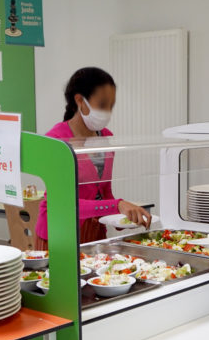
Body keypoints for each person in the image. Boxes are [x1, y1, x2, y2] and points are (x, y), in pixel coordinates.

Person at [34, 67, 150, 248]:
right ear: (80, 101)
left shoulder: (107, 137)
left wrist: (120, 218)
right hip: (59, 232)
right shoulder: (55, 141)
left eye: (111, 106)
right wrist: (117, 205)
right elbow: (63, 202)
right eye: (102, 105)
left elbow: (104, 192)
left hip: (95, 231)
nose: (108, 112)